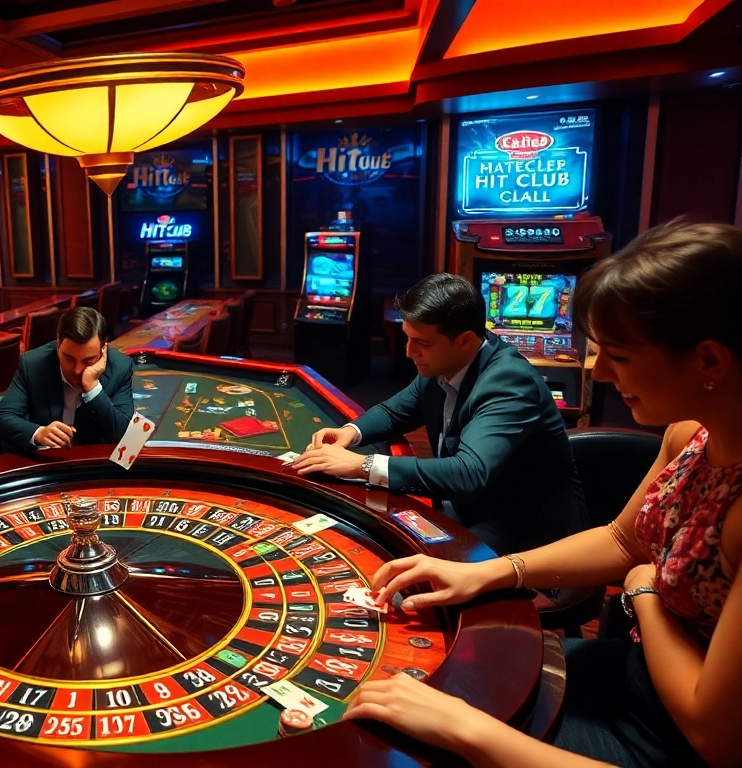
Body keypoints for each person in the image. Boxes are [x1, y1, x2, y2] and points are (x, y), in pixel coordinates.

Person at [345, 218, 742, 768]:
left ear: (709, 360)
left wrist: (647, 597)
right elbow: (624, 540)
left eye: (619, 356)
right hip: (633, 667)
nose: (598, 373)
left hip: (668, 736)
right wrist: (486, 572)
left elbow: (715, 737)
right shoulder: (688, 435)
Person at [291, 273, 588, 554]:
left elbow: (469, 473)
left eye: (421, 343)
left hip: (524, 529)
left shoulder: (509, 383)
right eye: (407, 338)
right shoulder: (441, 363)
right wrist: (351, 432)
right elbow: (396, 411)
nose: (409, 352)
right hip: (470, 508)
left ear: (465, 340)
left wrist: (364, 465)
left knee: (412, 572)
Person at [0, 306, 135, 456]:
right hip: (45, 463)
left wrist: (93, 389)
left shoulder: (120, 367)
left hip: (93, 463)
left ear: (103, 349)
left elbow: (125, 438)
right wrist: (38, 433)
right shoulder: (33, 364)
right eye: (69, 358)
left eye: (88, 360)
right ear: (58, 344)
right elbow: (1, 419)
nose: (77, 370)